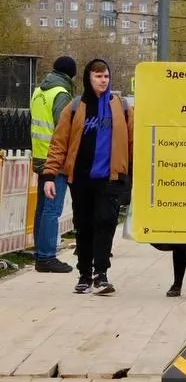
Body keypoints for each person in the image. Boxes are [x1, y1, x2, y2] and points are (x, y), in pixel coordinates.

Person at [39, 58, 134, 295]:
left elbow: (134, 142)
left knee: (106, 221)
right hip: (81, 178)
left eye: (106, 76)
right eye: (98, 76)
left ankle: (101, 274)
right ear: (88, 78)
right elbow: (59, 143)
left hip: (110, 178)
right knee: (84, 225)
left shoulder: (121, 107)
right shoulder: (74, 107)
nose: (103, 80)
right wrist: (50, 174)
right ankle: (83, 274)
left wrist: (135, 172)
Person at [29, 55, 77, 273]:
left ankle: (40, 254)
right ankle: (47, 257)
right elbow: (63, 126)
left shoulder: (39, 91)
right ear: (70, 74)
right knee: (52, 209)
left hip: (40, 156)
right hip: (55, 159)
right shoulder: (61, 94)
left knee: (42, 207)